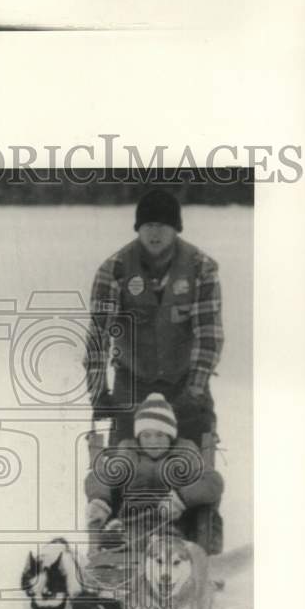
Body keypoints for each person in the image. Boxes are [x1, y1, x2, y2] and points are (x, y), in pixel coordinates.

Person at [85, 189, 224, 444]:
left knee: (194, 463)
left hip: (185, 384)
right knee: (121, 464)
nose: (155, 233)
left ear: (176, 229)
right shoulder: (114, 270)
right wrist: (99, 394)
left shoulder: (201, 268)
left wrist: (194, 391)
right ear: (138, 228)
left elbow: (209, 335)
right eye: (148, 225)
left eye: (163, 225)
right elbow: (98, 337)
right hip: (131, 383)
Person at [84, 393, 223, 544]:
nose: (153, 441)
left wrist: (181, 498)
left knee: (166, 541)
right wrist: (99, 500)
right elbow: (99, 475)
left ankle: (159, 550)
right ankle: (118, 540)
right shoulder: (128, 452)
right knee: (126, 536)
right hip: (133, 519)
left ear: (170, 436)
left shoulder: (185, 452)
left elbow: (213, 481)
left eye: (160, 435)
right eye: (146, 436)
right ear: (138, 437)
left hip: (171, 522)